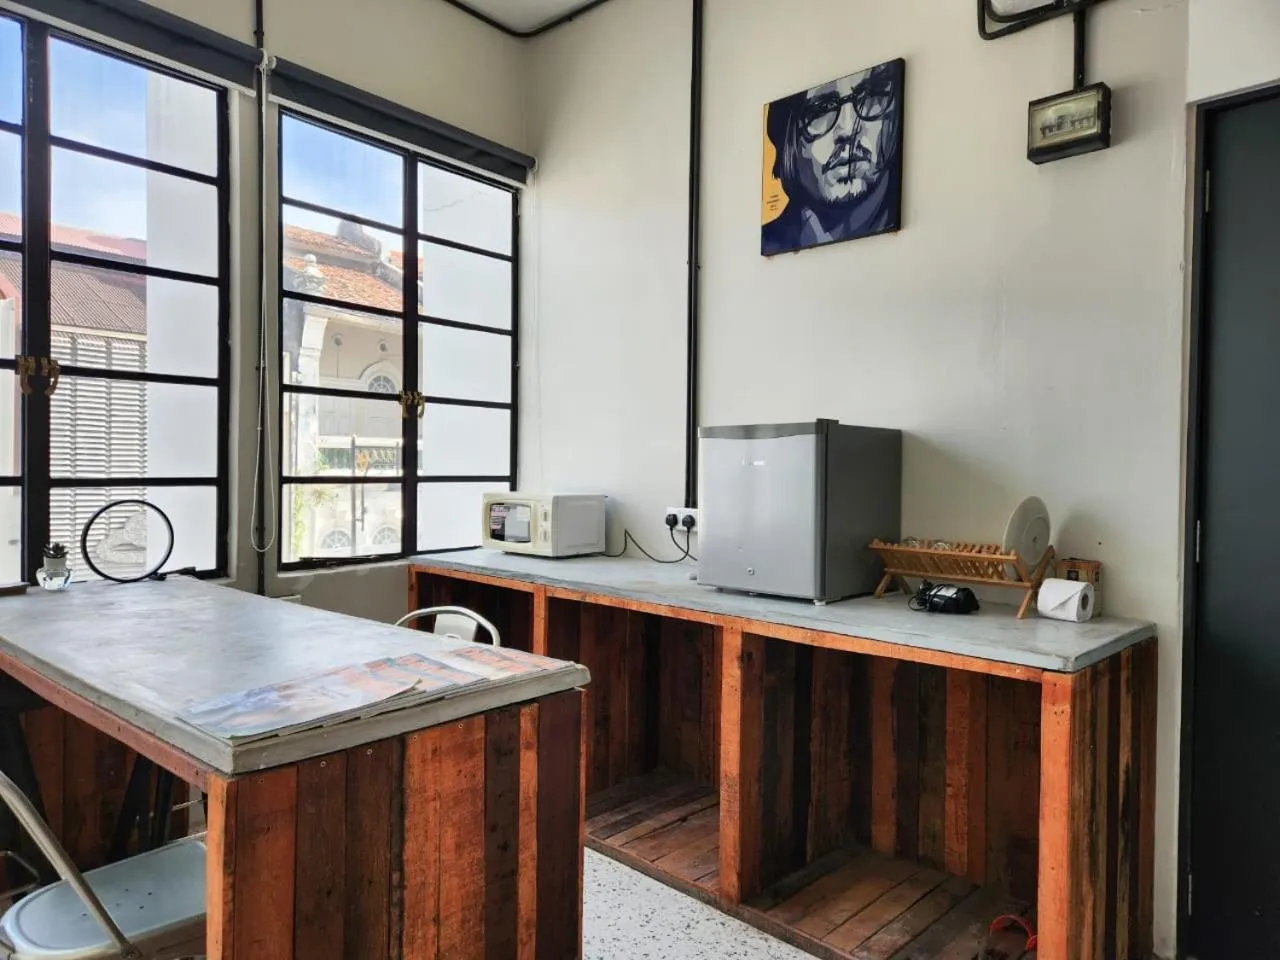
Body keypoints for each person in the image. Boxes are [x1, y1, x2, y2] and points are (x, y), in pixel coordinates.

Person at [762, 60, 903, 256]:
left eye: (870, 96)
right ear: (789, 140)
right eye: (823, 109)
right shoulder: (771, 239)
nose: (848, 129)